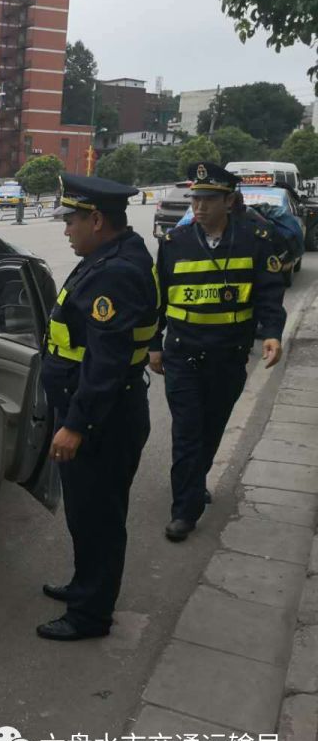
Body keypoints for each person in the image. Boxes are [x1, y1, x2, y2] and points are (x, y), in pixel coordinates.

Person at [38, 174, 160, 641]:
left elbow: (105, 364)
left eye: (71, 219)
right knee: (87, 514)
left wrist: (76, 425)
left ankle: (90, 616)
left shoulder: (115, 272)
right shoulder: (112, 256)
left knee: (100, 518)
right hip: (103, 413)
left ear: (96, 218)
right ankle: (85, 585)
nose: (65, 229)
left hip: (101, 421)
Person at [149, 162, 286, 542]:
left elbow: (269, 294)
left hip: (228, 355)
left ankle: (194, 480)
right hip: (183, 354)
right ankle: (185, 509)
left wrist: (272, 333)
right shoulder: (174, 245)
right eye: (196, 198)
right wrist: (152, 344)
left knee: (211, 428)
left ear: (229, 201)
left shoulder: (255, 239)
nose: (199, 206)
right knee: (188, 432)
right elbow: (156, 300)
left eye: (209, 199)